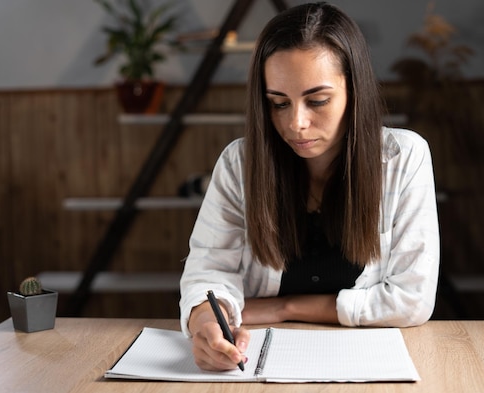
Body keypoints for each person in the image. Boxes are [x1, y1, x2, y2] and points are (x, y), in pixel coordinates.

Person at [179, 2, 439, 371]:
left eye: (317, 100)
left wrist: (284, 308)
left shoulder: (404, 157)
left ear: (355, 90)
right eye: (278, 103)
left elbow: (411, 300)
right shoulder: (239, 163)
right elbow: (208, 273)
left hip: (367, 364)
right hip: (256, 361)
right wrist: (208, 322)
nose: (296, 123)